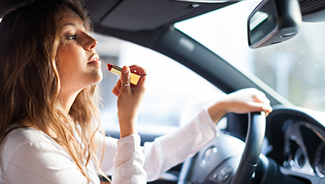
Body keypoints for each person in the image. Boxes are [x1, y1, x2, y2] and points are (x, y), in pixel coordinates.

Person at [0, 0, 272, 184]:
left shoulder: (64, 132)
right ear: (38, 59)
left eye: (85, 31)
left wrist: (219, 108)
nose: (92, 41)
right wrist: (127, 123)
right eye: (71, 35)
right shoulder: (29, 148)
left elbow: (150, 160)